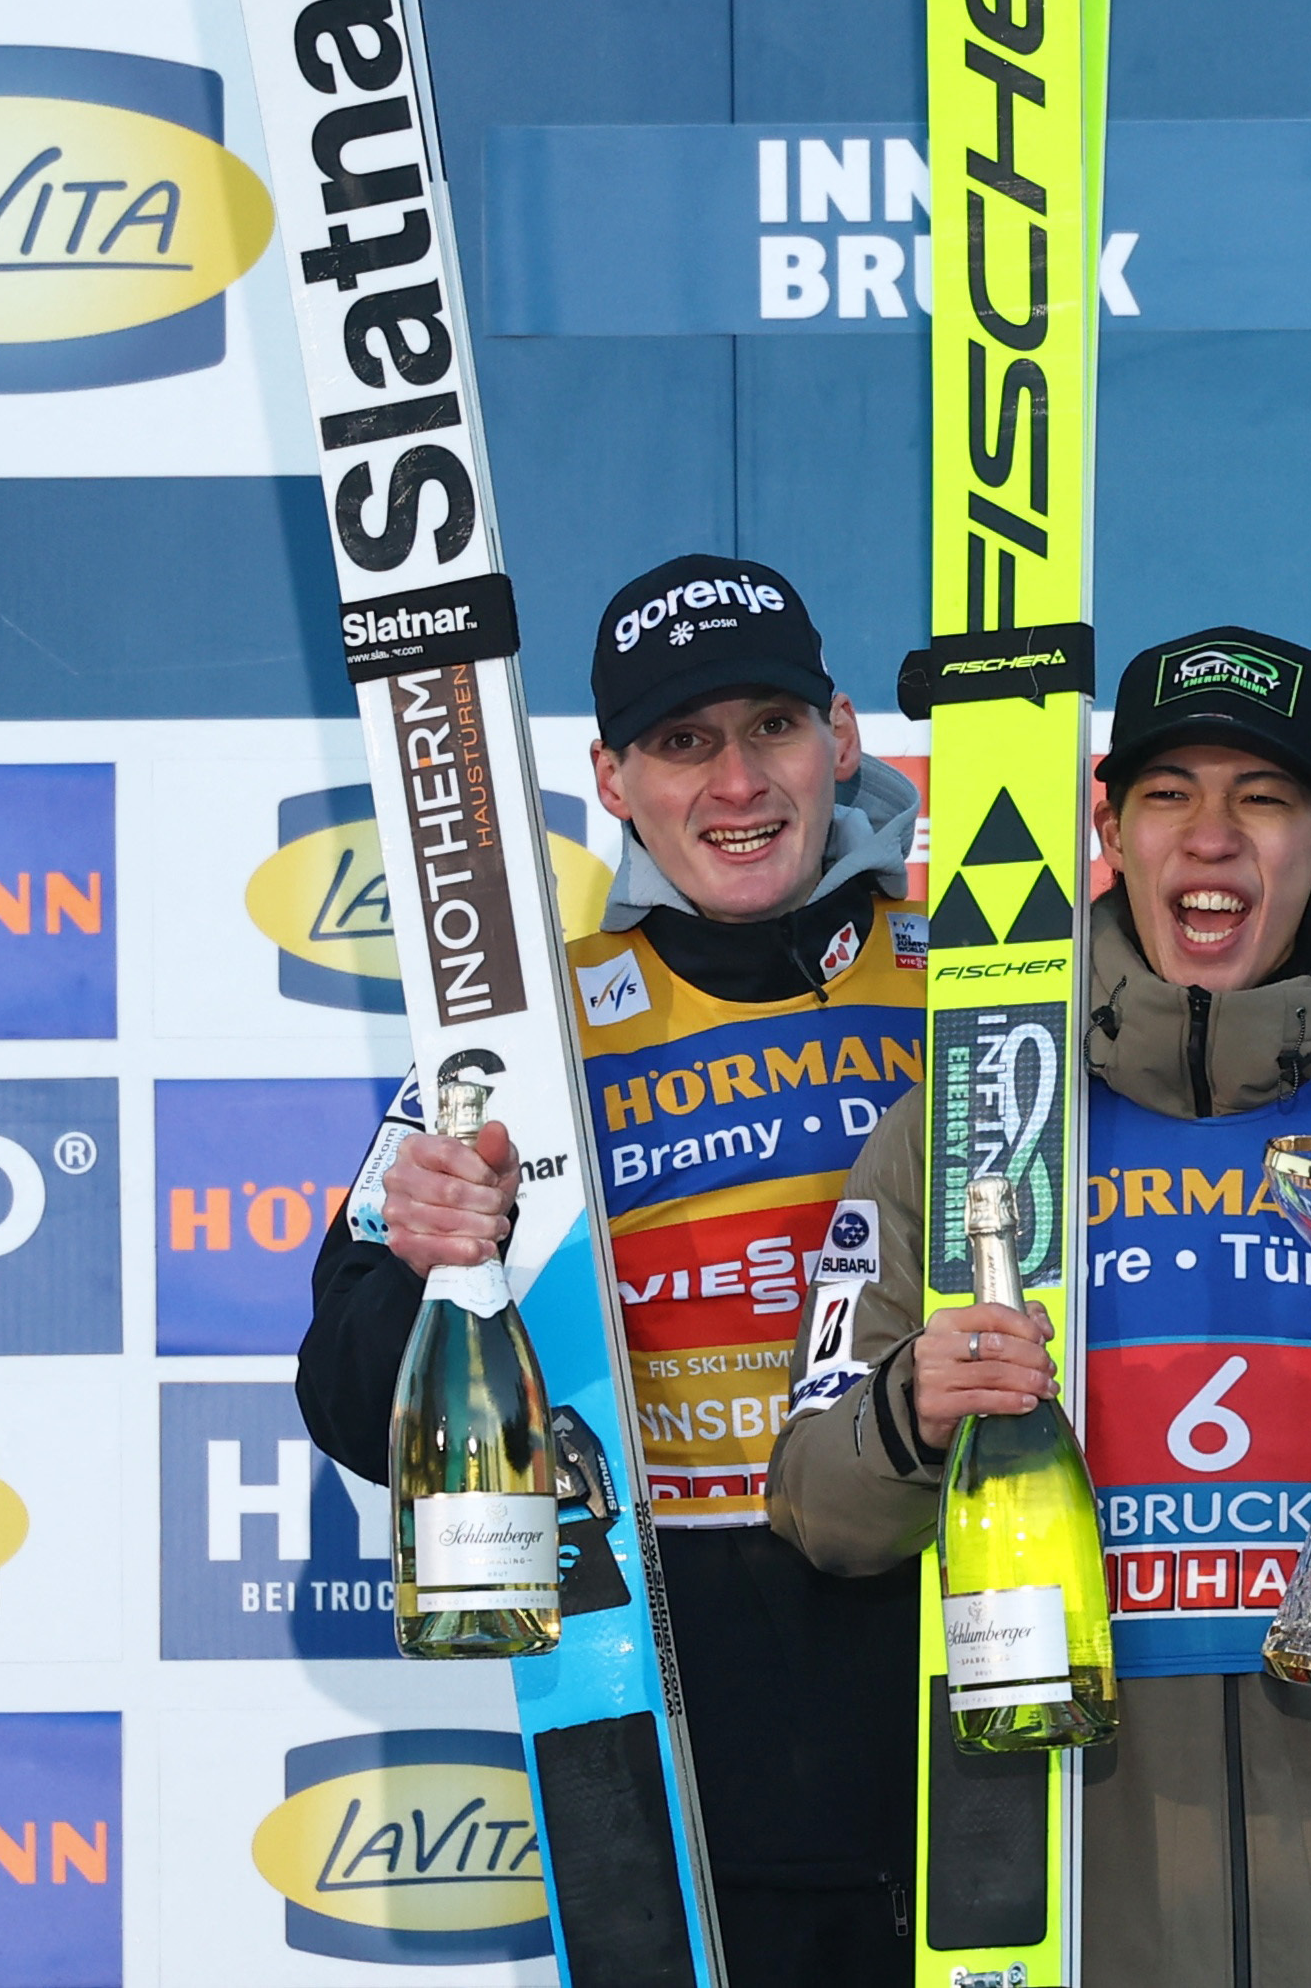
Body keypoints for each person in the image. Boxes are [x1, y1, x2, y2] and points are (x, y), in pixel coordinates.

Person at [770, 627, 1311, 1988]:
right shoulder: (965, 1129)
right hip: (1065, 1877)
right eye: (1167, 794)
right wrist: (911, 1413)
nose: (1211, 837)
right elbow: (817, 1505)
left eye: (1261, 799)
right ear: (1109, 830)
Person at [296, 555, 928, 1988]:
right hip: (672, 1746)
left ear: (839, 737)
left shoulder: (977, 988)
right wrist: (427, 1263)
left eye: (771, 727)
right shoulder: (526, 1038)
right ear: (611, 777)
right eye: (683, 741)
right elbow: (341, 1395)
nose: (736, 783)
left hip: (974, 1715)